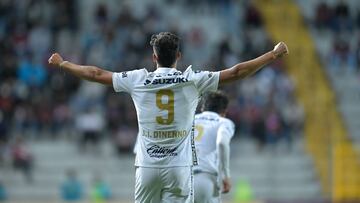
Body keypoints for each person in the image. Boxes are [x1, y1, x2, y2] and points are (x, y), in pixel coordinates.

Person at [48, 32, 288, 203]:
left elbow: (95, 72)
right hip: (179, 168)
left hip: (147, 167)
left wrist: (64, 64)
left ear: (154, 58)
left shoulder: (137, 79)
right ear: (179, 56)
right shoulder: (193, 80)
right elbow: (238, 72)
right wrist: (273, 55)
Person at [193, 91, 235, 203]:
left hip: (181, 178)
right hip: (205, 177)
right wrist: (225, 175)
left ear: (202, 108)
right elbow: (221, 143)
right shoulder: (224, 122)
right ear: (224, 112)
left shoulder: (189, 120)